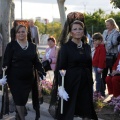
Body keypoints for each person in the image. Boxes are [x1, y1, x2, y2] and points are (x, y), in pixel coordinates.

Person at [49, 12, 98, 120]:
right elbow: (61, 68)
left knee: (87, 110)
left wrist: (91, 81)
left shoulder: (87, 47)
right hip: (71, 82)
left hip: (85, 81)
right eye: (75, 29)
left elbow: (89, 65)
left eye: (80, 29)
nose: (78, 31)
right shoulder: (65, 48)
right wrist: (61, 87)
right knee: (68, 110)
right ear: (70, 32)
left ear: (83, 31)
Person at [0, 24, 46, 120]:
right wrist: (2, 76)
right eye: (19, 32)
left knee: (23, 100)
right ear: (16, 34)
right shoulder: (11, 46)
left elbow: (36, 62)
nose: (21, 33)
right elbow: (6, 62)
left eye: (23, 31)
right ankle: (22, 118)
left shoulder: (32, 46)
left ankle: (18, 116)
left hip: (29, 79)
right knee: (19, 100)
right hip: (14, 79)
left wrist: (42, 73)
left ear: (27, 33)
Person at [102, 18, 119, 97]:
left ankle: (113, 95)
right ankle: (104, 92)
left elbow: (115, 42)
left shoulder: (116, 32)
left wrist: (106, 43)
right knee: (104, 74)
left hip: (113, 56)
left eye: (108, 25)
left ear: (112, 25)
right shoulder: (105, 32)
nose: (107, 27)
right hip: (105, 55)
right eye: (106, 25)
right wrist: (108, 42)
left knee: (112, 74)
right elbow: (103, 41)